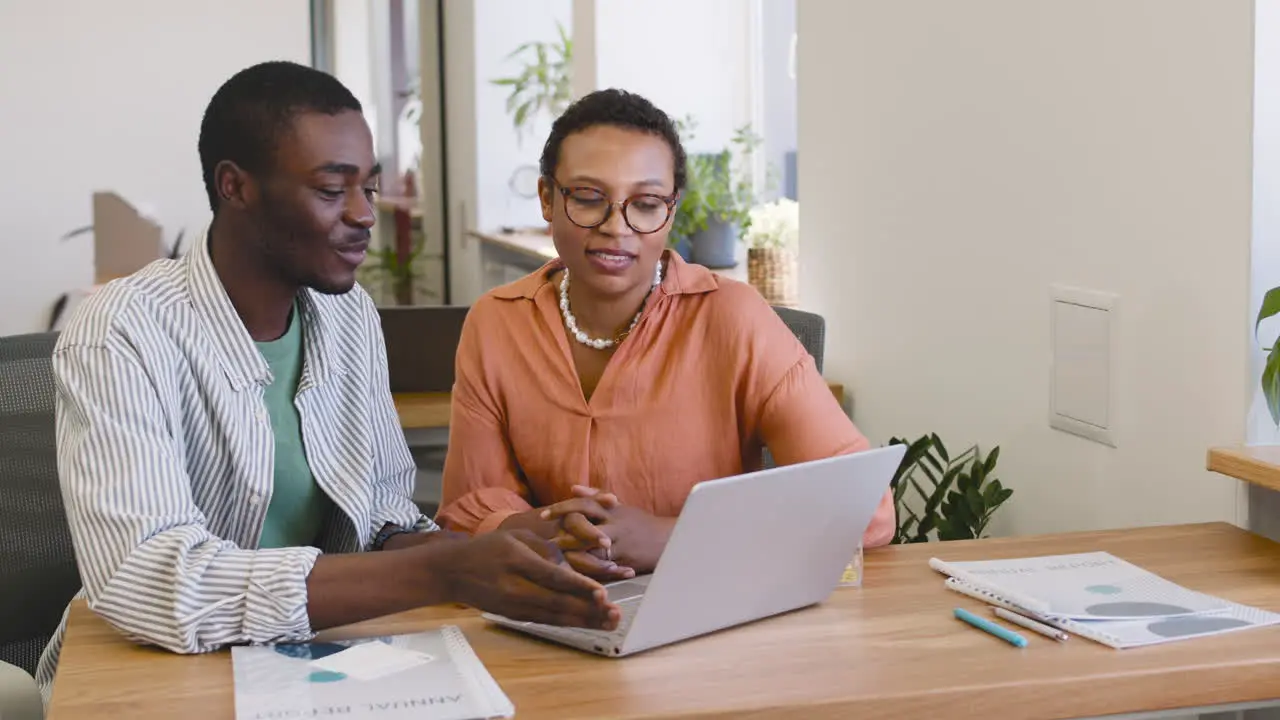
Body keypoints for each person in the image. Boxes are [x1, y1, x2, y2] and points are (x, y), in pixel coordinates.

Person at [34, 61, 617, 702]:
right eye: (331, 190)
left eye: (367, 187)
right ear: (236, 187)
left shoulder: (347, 313)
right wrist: (444, 568)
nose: (365, 215)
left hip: (320, 664)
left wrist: (503, 549)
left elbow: (382, 514)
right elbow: (151, 583)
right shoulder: (124, 330)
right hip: (154, 675)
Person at [436, 88, 895, 581]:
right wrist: (556, 533)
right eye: (590, 198)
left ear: (671, 211)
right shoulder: (497, 323)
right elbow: (468, 513)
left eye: (647, 203)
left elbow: (865, 510)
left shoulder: (733, 318)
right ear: (548, 198)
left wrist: (667, 538)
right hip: (553, 609)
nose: (617, 227)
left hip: (711, 607)